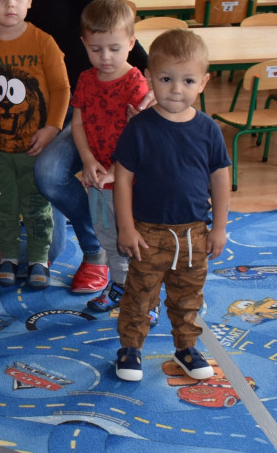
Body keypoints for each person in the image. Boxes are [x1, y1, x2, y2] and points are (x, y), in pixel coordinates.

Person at [0, 0, 149, 294]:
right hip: (19, 114)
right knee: (45, 224)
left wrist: (156, 91)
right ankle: (57, 240)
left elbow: (114, 29)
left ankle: (97, 252)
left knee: (50, 174)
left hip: (83, 107)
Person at [113, 29, 230, 382]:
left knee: (188, 296)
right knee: (139, 294)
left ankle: (186, 347)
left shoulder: (208, 129)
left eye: (187, 80)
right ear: (149, 77)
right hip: (148, 232)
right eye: (166, 79)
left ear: (203, 83)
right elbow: (121, 178)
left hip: (194, 233)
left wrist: (221, 227)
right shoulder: (139, 129)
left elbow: (221, 178)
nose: (176, 89)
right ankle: (130, 348)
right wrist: (126, 227)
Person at [0, 0, 69, 289]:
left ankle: (39, 258)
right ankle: (9, 256)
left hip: (35, 146)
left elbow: (60, 88)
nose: (9, 4)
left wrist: (52, 127)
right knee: (4, 205)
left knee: (37, 205)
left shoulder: (43, 42)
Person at [70, 0, 150, 315]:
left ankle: (146, 296)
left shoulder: (136, 84)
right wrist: (88, 160)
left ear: (131, 43)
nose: (105, 57)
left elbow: (144, 138)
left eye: (115, 48)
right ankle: (118, 285)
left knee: (135, 238)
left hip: (131, 180)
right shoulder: (86, 80)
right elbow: (77, 123)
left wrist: (117, 169)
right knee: (108, 235)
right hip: (98, 177)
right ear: (84, 44)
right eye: (96, 49)